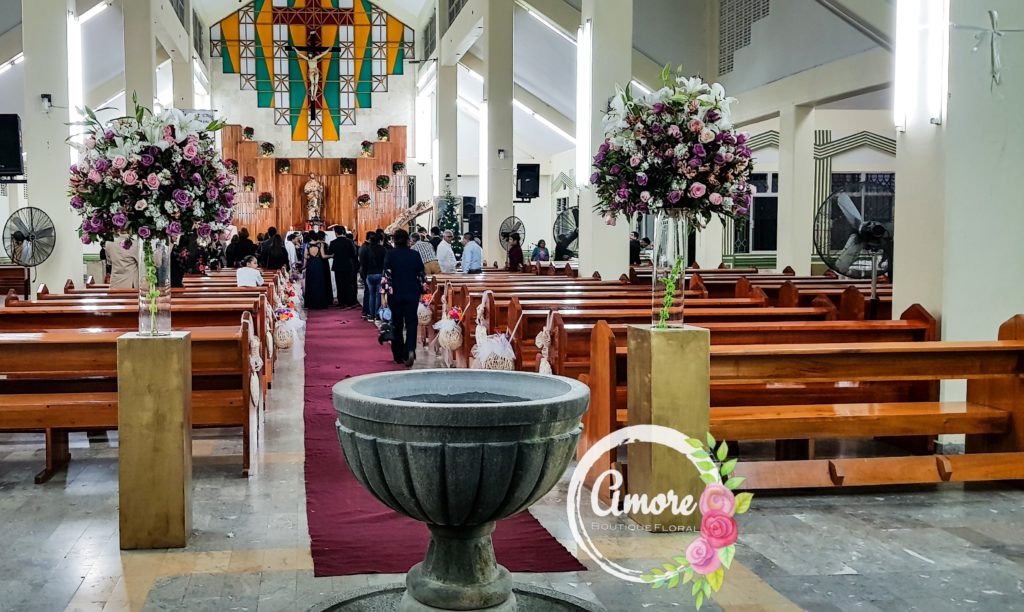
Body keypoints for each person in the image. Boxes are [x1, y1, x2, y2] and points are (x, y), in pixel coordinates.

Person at [382, 229, 425, 366]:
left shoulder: (390, 255)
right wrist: (423, 289)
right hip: (412, 293)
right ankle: (410, 349)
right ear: (408, 240)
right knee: (412, 322)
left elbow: (386, 277)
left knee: (397, 323)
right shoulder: (414, 254)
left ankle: (398, 354)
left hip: (395, 295)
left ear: (394, 240)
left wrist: (383, 296)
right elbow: (421, 275)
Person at [327, 225, 359, 308]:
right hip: (348, 265)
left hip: (338, 265)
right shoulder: (349, 242)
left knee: (339, 284)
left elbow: (330, 253)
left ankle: (341, 302)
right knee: (349, 284)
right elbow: (354, 253)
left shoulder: (333, 242)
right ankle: (350, 301)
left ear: (336, 233)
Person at [361, 232, 387, 321]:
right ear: (379, 240)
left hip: (369, 274)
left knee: (371, 295)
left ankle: (371, 315)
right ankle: (377, 315)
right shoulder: (383, 249)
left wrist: (364, 275)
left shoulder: (366, 249)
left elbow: (363, 264)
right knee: (378, 295)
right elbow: (386, 262)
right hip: (380, 274)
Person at [303, 233, 331, 309]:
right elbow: (323, 256)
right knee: (320, 283)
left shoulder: (307, 245)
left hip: (311, 265)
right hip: (319, 265)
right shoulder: (320, 244)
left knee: (311, 283)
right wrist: (331, 255)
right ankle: (320, 303)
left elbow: (305, 257)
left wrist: (303, 266)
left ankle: (311, 304)